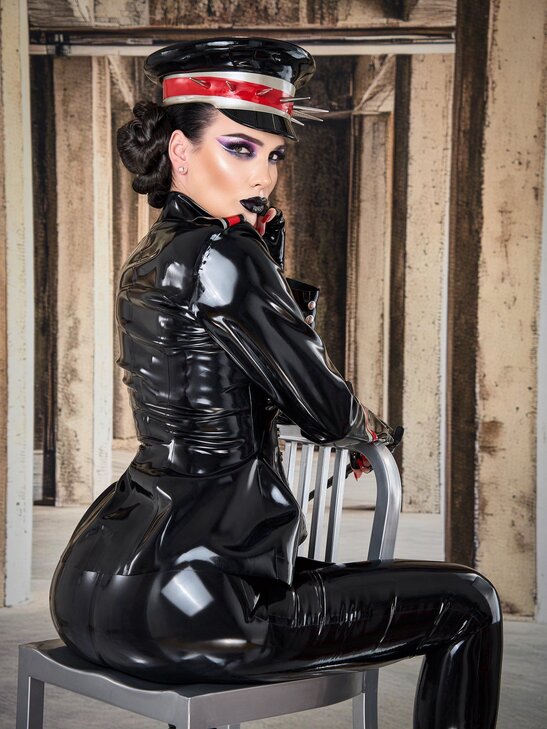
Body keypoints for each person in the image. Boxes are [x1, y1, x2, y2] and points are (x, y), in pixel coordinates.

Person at [49, 37, 502, 728]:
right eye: (239, 148)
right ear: (179, 151)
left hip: (96, 588)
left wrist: (267, 253)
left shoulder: (150, 256)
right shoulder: (226, 250)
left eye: (274, 155)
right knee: (470, 600)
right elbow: (326, 410)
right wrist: (371, 429)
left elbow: (244, 362)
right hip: (195, 608)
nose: (261, 174)